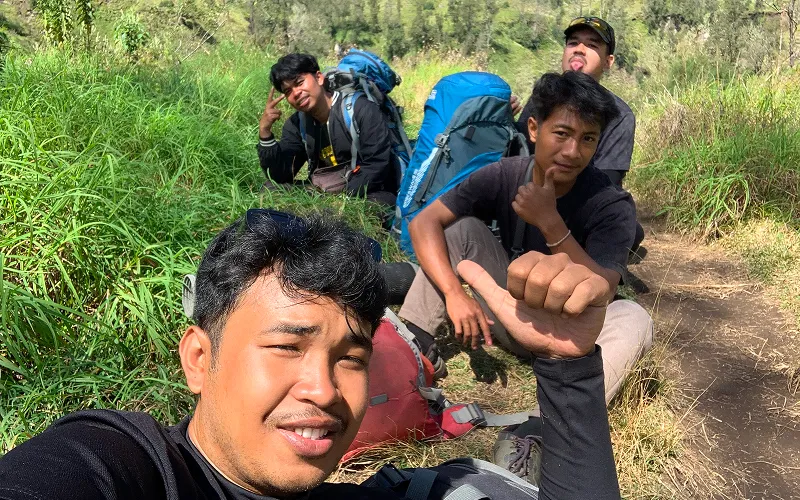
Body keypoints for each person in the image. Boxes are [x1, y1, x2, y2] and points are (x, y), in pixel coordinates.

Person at [0, 210, 623, 499]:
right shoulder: (133, 466)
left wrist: (567, 369)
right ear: (198, 359)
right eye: (285, 346)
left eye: (351, 357)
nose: (324, 389)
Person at [398, 71, 653, 405]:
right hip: (511, 312)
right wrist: (454, 295)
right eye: (562, 133)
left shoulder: (611, 204)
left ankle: (558, 417)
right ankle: (410, 353)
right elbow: (424, 222)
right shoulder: (505, 174)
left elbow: (601, 290)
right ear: (534, 129)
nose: (573, 151)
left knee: (634, 317)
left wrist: (550, 222)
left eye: (588, 139)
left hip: (573, 335)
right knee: (461, 231)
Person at [257, 53, 398, 206]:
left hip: (366, 192)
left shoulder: (361, 109)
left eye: (299, 83)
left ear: (319, 78)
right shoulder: (297, 123)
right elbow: (280, 175)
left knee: (378, 204)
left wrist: (343, 199)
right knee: (270, 189)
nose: (296, 93)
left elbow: (377, 164)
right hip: (323, 192)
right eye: (288, 91)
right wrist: (265, 133)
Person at [516, 16, 634, 188]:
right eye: (573, 43)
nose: (579, 50)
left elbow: (608, 184)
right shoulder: (542, 96)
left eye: (592, 45)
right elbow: (519, 152)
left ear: (608, 62)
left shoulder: (619, 115)